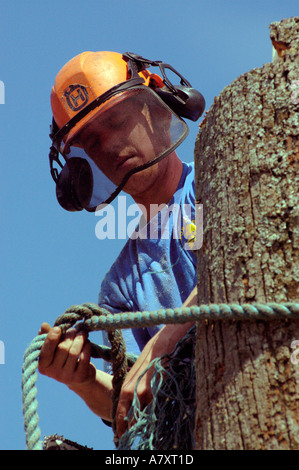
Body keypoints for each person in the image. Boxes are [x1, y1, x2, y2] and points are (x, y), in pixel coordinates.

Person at [38, 51, 205, 438]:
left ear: (155, 107)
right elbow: (136, 405)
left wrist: (166, 340)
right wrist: (81, 381)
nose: (111, 146)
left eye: (118, 120)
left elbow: (241, 271)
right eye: (92, 142)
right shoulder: (120, 287)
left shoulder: (216, 183)